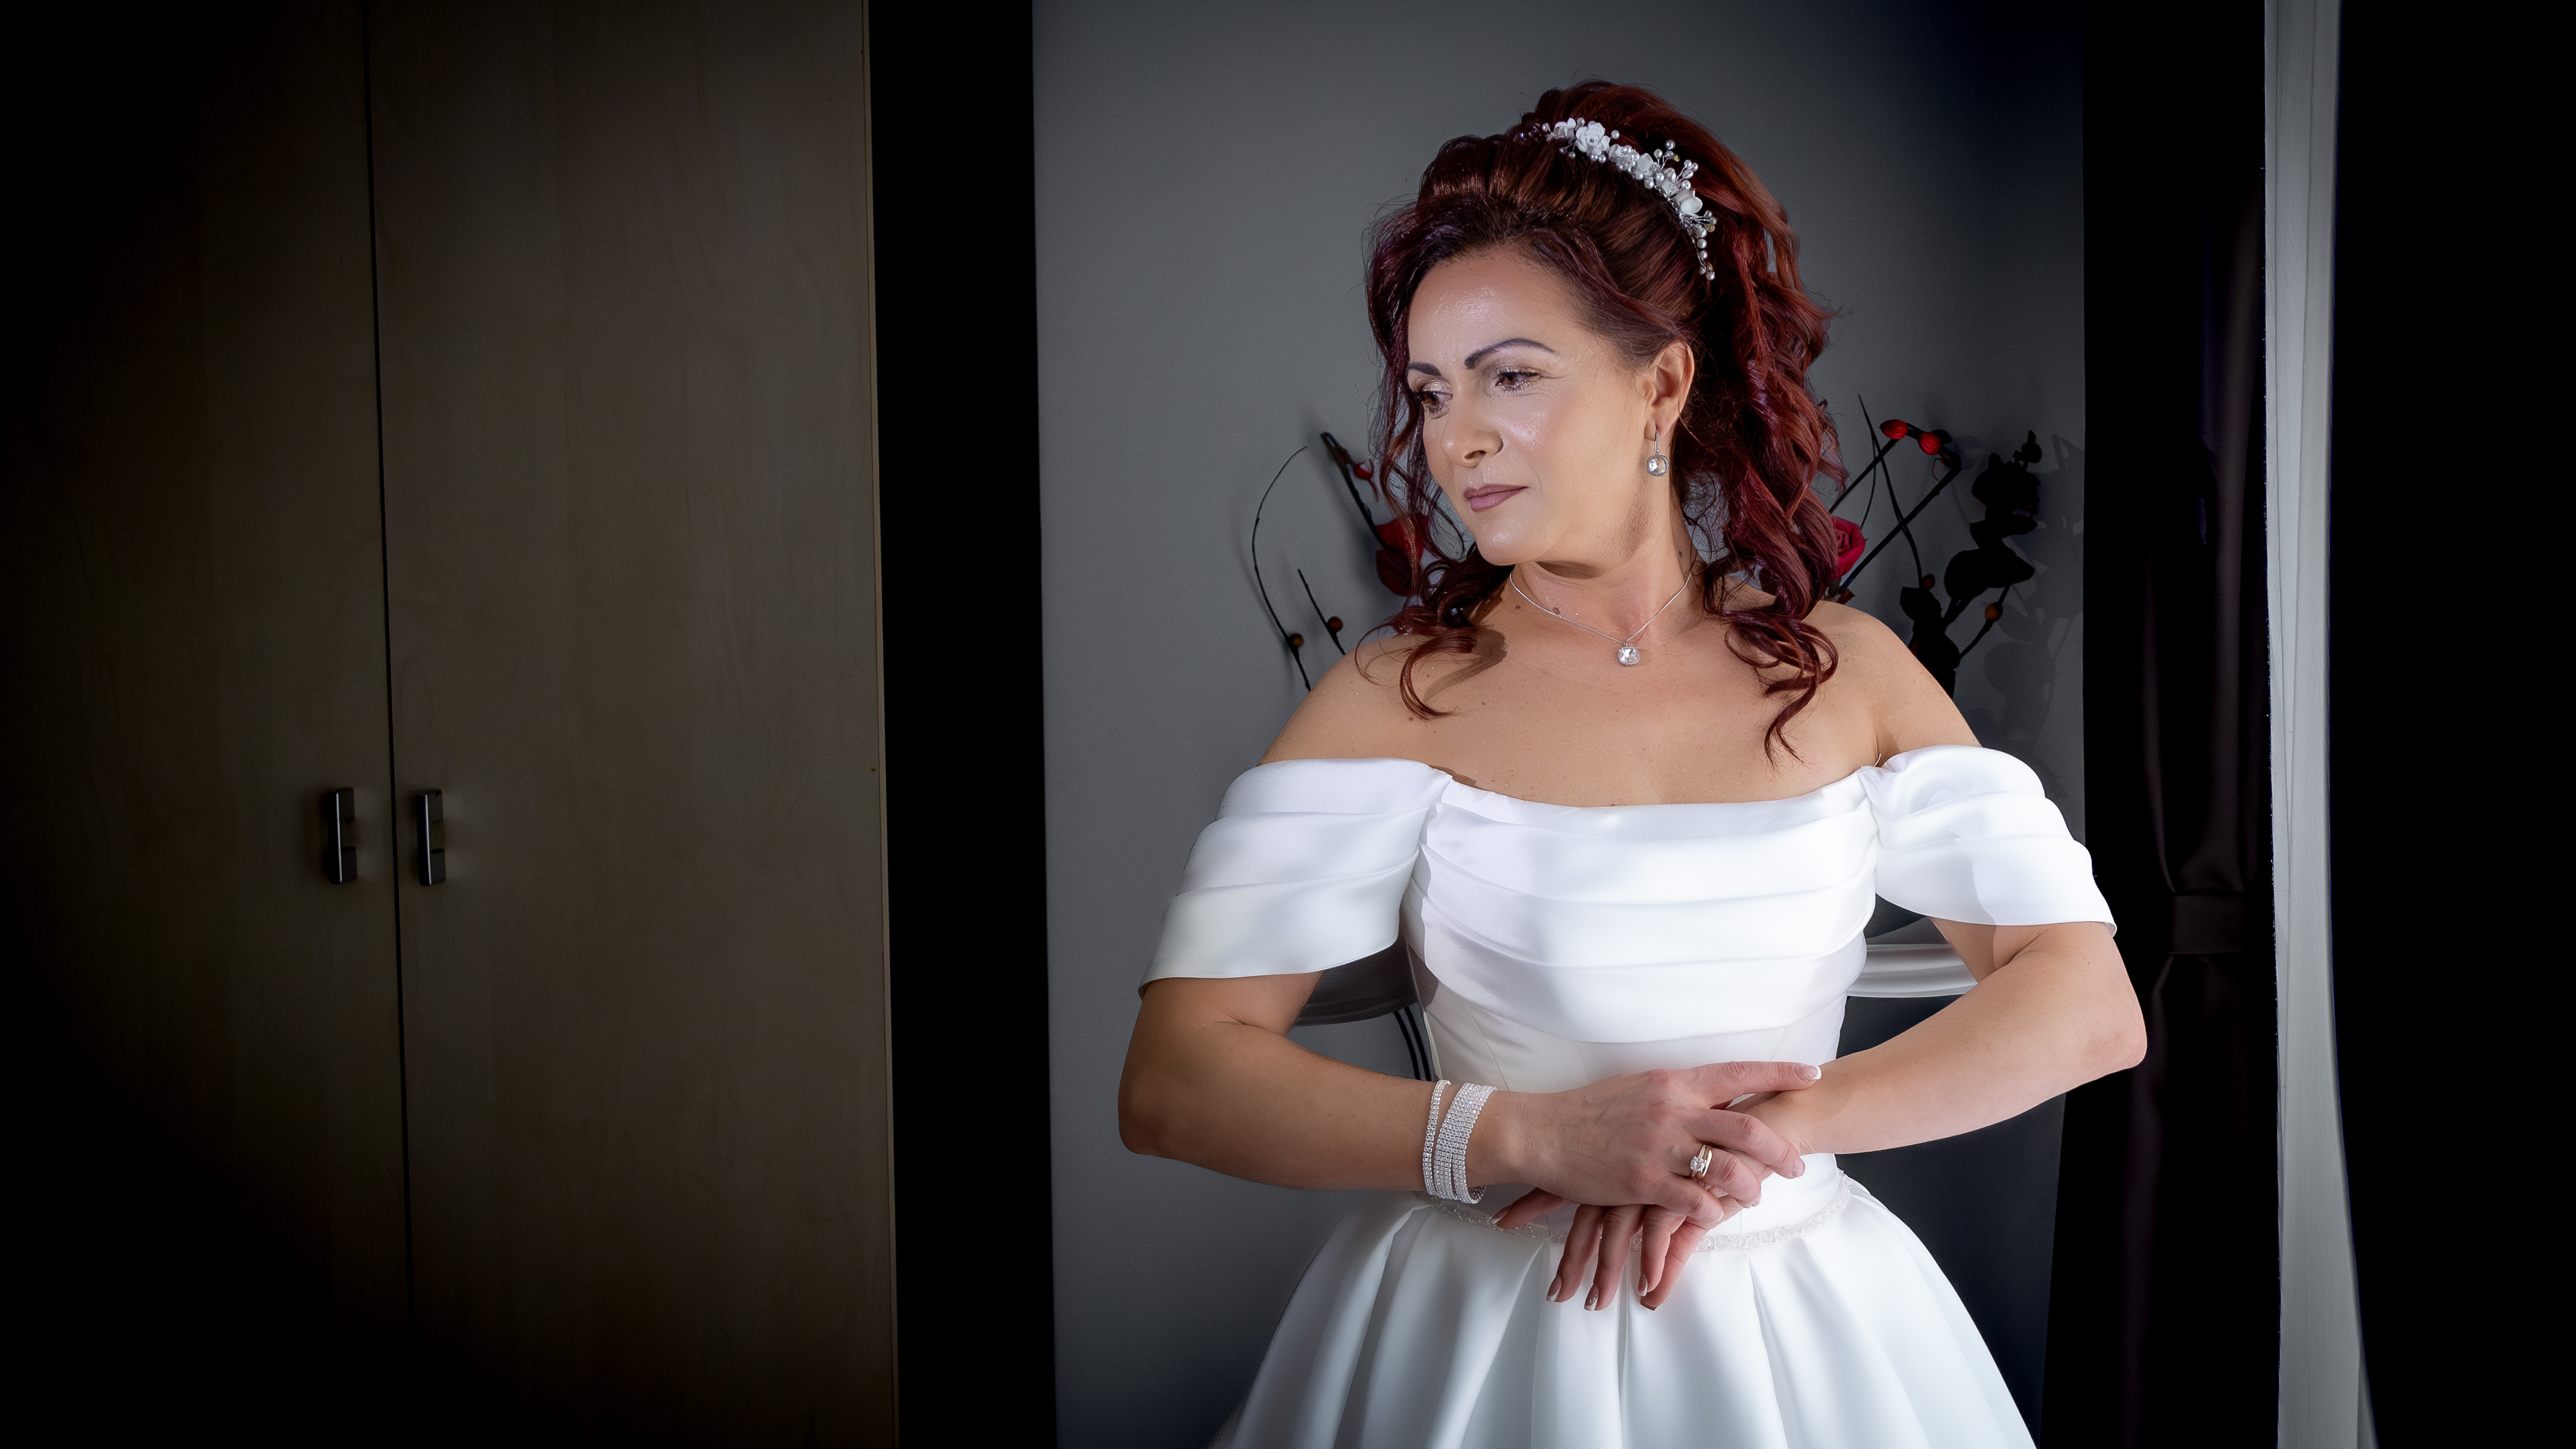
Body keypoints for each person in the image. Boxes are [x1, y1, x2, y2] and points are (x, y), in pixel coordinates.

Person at [1117, 81, 2141, 1448]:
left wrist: (1750, 1139)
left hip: (1808, 1330)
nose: (1456, 438)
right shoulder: (1395, 698)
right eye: (1431, 392)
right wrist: (1529, 1139)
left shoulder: (1845, 672)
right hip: (1484, 1325)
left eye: (1510, 377)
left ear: (1660, 384)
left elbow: (2088, 1004)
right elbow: (1175, 1079)